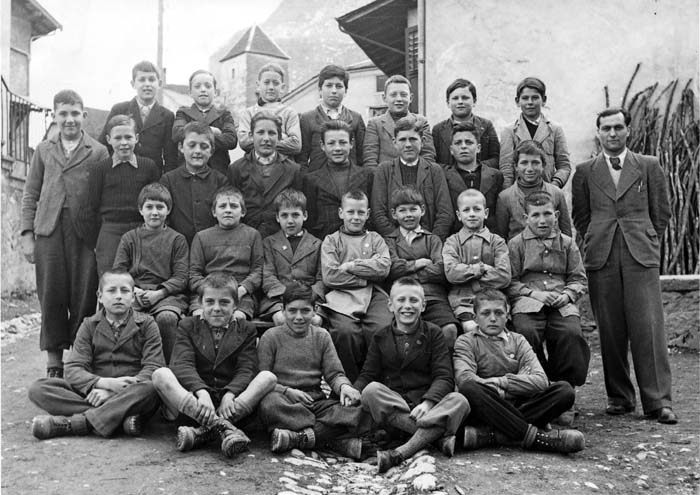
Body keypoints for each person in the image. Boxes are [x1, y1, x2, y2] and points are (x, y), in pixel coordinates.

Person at [572, 107, 676, 424]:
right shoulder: (585, 171)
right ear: (598, 133)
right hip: (601, 256)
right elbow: (581, 217)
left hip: (640, 254)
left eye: (618, 127)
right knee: (610, 328)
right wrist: (596, 239)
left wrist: (646, 239)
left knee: (648, 328)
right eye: (606, 128)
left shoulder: (648, 165)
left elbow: (661, 212)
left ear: (628, 130)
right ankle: (619, 397)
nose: (613, 133)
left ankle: (658, 401)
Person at [20, 89, 109, 378]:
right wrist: (27, 234)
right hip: (49, 230)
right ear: (55, 117)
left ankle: (79, 361)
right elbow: (30, 193)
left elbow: (103, 198)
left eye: (74, 113)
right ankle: (54, 363)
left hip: (84, 233)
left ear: (84, 115)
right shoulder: (44, 150)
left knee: (84, 295)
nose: (69, 119)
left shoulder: (98, 151)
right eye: (63, 114)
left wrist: (101, 239)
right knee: (51, 294)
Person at [151, 272, 276, 457]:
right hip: (196, 405)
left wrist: (230, 393)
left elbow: (246, 368)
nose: (216, 308)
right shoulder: (187, 325)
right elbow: (182, 364)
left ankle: (202, 432)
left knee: (267, 378)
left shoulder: (246, 329)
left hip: (230, 406)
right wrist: (201, 392)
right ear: (200, 303)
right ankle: (223, 428)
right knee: (160, 374)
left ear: (235, 304)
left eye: (224, 302)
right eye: (210, 302)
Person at [28, 270, 164, 439]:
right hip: (95, 392)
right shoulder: (89, 325)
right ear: (100, 296)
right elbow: (73, 369)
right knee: (39, 389)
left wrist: (114, 393)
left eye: (125, 291)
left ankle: (76, 423)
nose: (119, 296)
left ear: (133, 297)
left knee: (151, 388)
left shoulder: (147, 324)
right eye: (111, 291)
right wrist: (104, 383)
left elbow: (153, 367)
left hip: (132, 391)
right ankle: (118, 418)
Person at [355, 277, 470, 473]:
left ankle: (400, 452)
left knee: (460, 401)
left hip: (426, 409)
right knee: (370, 391)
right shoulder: (381, 336)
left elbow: (444, 376)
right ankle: (436, 437)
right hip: (397, 407)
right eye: (401, 300)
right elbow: (368, 374)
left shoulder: (434, 333)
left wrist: (428, 403)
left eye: (414, 300)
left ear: (423, 305)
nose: (407, 306)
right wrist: (352, 390)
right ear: (390, 305)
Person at [454, 289, 585, 454]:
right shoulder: (465, 341)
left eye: (499, 313)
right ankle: (538, 439)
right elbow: (465, 378)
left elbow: (540, 380)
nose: (493, 318)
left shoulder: (518, 340)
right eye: (486, 313)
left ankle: (492, 435)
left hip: (518, 404)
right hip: (486, 407)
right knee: (470, 389)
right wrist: (514, 385)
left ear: (507, 316)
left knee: (564, 391)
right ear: (475, 318)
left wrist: (501, 383)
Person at [506, 191, 590, 425]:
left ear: (557, 215)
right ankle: (538, 388)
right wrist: (534, 294)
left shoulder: (567, 243)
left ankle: (565, 389)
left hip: (560, 301)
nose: (542, 221)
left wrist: (568, 295)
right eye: (535, 215)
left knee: (570, 333)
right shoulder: (516, 244)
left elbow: (578, 279)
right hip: (528, 300)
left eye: (547, 214)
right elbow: (509, 281)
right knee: (525, 332)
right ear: (526, 218)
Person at [258, 284, 367, 459]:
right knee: (268, 404)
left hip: (314, 401)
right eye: (292, 311)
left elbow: (334, 374)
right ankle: (328, 438)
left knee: (360, 409)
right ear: (283, 311)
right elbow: (261, 380)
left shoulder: (321, 336)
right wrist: (287, 391)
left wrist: (344, 387)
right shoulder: (271, 337)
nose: (299, 317)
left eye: (305, 311)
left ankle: (298, 437)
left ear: (315, 310)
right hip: (284, 399)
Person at [319, 190, 392, 382]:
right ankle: (350, 382)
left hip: (374, 295)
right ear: (341, 213)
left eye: (360, 212)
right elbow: (330, 276)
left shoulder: (375, 239)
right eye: (350, 212)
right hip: (341, 296)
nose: (356, 217)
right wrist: (366, 277)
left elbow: (384, 267)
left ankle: (378, 381)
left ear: (368, 214)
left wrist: (352, 266)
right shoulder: (331, 240)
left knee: (381, 327)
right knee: (345, 332)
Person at [113, 183, 189, 362]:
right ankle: (129, 364)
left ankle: (168, 367)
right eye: (149, 207)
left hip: (166, 297)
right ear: (141, 210)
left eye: (160, 207)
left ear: (168, 210)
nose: (154, 212)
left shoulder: (177, 239)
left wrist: (159, 293)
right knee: (122, 315)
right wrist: (134, 291)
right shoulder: (130, 238)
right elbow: (118, 272)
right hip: (135, 294)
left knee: (167, 318)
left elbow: (181, 277)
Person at [82, 115, 161, 276]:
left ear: (136, 138)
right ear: (108, 139)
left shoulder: (149, 166)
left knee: (144, 278)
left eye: (128, 137)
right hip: (111, 232)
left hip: (142, 230)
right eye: (118, 138)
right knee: (111, 279)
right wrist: (97, 242)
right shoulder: (99, 170)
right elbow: (89, 209)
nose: (123, 142)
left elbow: (157, 201)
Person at [384, 187, 460, 350]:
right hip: (402, 297)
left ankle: (443, 365)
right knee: (399, 334)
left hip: (432, 296)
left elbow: (440, 270)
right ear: (394, 214)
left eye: (413, 209)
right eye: (402, 210)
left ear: (422, 210)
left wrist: (407, 271)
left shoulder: (432, 240)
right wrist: (417, 264)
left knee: (449, 329)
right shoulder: (389, 241)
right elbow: (392, 269)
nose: (408, 215)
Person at [370, 116, 454, 241]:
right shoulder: (384, 170)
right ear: (394, 142)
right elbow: (378, 214)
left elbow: (445, 213)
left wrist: (431, 242)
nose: (408, 145)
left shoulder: (434, 170)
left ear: (423, 141)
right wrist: (398, 242)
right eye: (402, 140)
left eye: (413, 139)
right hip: (393, 243)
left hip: (429, 242)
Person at [189, 187, 263, 320]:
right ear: (214, 212)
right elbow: (194, 274)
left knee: (238, 318)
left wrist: (242, 289)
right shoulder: (201, 237)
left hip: (240, 294)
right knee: (199, 317)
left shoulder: (253, 235)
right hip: (207, 293)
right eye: (222, 206)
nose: (228, 210)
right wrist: (209, 291)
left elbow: (258, 271)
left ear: (243, 212)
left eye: (234, 206)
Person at [443, 189, 510, 333]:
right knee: (472, 329)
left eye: (477, 209)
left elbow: (504, 276)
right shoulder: (452, 242)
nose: (472, 214)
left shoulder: (497, 242)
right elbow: (452, 273)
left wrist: (467, 276)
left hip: (493, 300)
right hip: (464, 301)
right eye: (466, 210)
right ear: (459, 215)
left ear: (486, 213)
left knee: (498, 331)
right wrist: (481, 268)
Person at [228, 111, 303, 238]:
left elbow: (298, 207)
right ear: (251, 135)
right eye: (260, 132)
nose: (266, 138)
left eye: (272, 133)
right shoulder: (237, 168)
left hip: (280, 237)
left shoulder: (293, 169)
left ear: (279, 137)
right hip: (246, 236)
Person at [99, 61, 178, 173]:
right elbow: (103, 145)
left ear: (159, 83)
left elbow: (170, 156)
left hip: (152, 176)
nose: (147, 84)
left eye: (152, 79)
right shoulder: (119, 109)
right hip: (120, 172)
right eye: (142, 80)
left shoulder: (167, 116)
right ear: (133, 84)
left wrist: (165, 180)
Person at [260, 189, 324, 326]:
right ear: (277, 217)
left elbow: (321, 279)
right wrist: (286, 295)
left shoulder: (317, 244)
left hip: (309, 298)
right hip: (278, 298)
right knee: (281, 318)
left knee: (315, 320)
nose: (290, 221)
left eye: (295, 215)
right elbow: (268, 276)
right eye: (284, 215)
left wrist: (308, 296)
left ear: (305, 215)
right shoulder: (269, 243)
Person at [160, 122, 230, 245]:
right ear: (181, 147)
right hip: (178, 246)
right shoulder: (168, 180)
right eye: (191, 145)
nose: (197, 151)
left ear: (212, 150)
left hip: (212, 246)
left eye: (204, 146)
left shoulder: (221, 181)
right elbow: (165, 218)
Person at [303, 120, 374, 240]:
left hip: (361, 242)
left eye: (343, 142)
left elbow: (372, 214)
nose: (337, 148)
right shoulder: (311, 180)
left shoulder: (367, 175)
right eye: (331, 143)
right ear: (322, 145)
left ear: (351, 144)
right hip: (324, 241)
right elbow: (310, 221)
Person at [499, 77, 571, 189]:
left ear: (544, 100)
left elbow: (564, 165)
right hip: (519, 193)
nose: (530, 102)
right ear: (517, 101)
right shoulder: (509, 131)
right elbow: (506, 168)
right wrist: (508, 194)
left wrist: (554, 186)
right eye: (525, 98)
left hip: (547, 192)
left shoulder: (555, 129)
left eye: (535, 98)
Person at [495, 140, 571, 241]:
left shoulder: (556, 193)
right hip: (518, 250)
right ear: (516, 166)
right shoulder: (505, 197)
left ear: (543, 165)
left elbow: (566, 234)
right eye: (524, 163)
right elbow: (501, 237)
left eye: (535, 163)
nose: (530, 168)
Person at [297, 64, 366, 172]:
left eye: (339, 86)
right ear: (320, 90)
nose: (334, 91)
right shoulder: (307, 119)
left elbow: (362, 156)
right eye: (329, 85)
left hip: (350, 178)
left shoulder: (356, 118)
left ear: (346, 91)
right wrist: (306, 178)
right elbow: (302, 158)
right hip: (317, 178)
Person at [172, 70, 237, 175]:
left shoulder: (224, 114)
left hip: (218, 172)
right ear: (190, 92)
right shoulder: (183, 113)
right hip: (188, 172)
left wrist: (192, 133)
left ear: (215, 92)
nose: (203, 90)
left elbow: (231, 139)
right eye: (197, 86)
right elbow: (177, 134)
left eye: (208, 86)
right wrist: (212, 131)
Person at [363, 75, 436, 168]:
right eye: (393, 95)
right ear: (384, 98)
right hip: (385, 176)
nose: (399, 99)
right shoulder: (375, 124)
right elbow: (370, 161)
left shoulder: (421, 122)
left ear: (411, 98)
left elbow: (428, 156)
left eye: (403, 95)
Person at [442, 122, 503, 233]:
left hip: (489, 237)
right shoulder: (444, 176)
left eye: (469, 142)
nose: (463, 146)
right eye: (458, 143)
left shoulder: (495, 176)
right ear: (451, 150)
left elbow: (499, 214)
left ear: (478, 148)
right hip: (455, 237)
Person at [432, 78, 500, 169]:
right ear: (448, 103)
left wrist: (473, 168)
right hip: (447, 177)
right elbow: (434, 162)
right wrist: (453, 171)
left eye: (465, 98)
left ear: (474, 101)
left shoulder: (486, 126)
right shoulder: (438, 130)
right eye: (455, 98)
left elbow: (495, 158)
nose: (460, 102)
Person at [237, 63, 301, 156]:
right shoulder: (248, 113)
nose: (271, 87)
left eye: (276, 83)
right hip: (253, 163)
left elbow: (296, 145)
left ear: (282, 87)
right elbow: (244, 142)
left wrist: (258, 138)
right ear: (258, 85)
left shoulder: (289, 113)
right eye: (266, 82)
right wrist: (282, 137)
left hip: (283, 163)